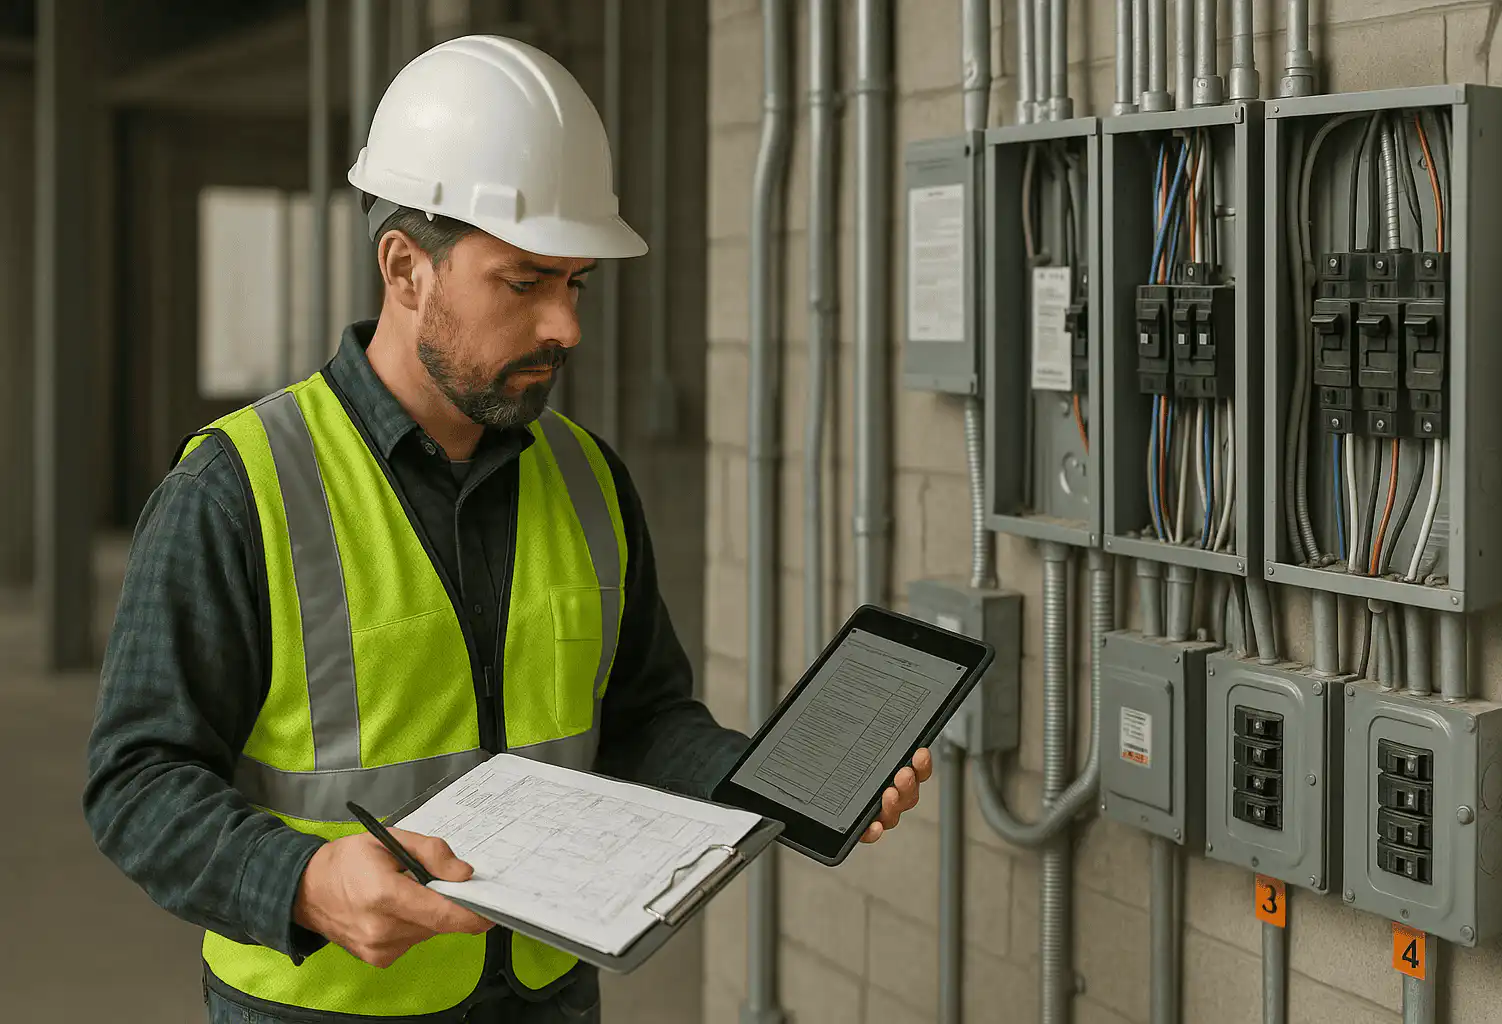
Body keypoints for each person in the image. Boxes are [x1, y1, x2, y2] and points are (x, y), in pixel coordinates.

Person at [82, 33, 932, 1024]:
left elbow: (645, 716)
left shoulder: (588, 477)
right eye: (524, 282)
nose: (565, 326)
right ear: (406, 269)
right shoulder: (237, 487)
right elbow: (136, 781)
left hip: (546, 996)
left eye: (575, 284)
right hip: (323, 1008)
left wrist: (772, 784)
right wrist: (306, 881)